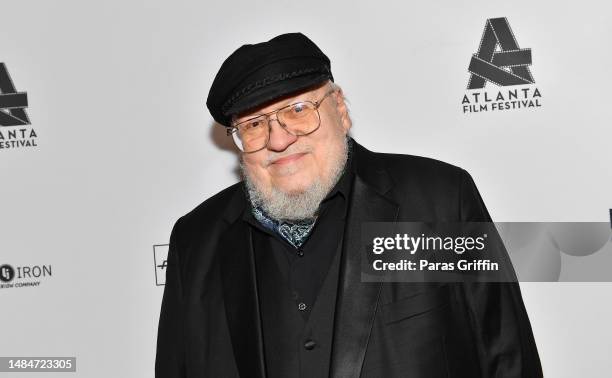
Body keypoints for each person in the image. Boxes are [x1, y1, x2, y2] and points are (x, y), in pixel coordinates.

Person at [155, 32, 543, 378]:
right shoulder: (197, 240)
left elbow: (508, 358)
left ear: (339, 108)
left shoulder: (439, 201)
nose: (278, 140)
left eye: (298, 111)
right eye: (255, 124)